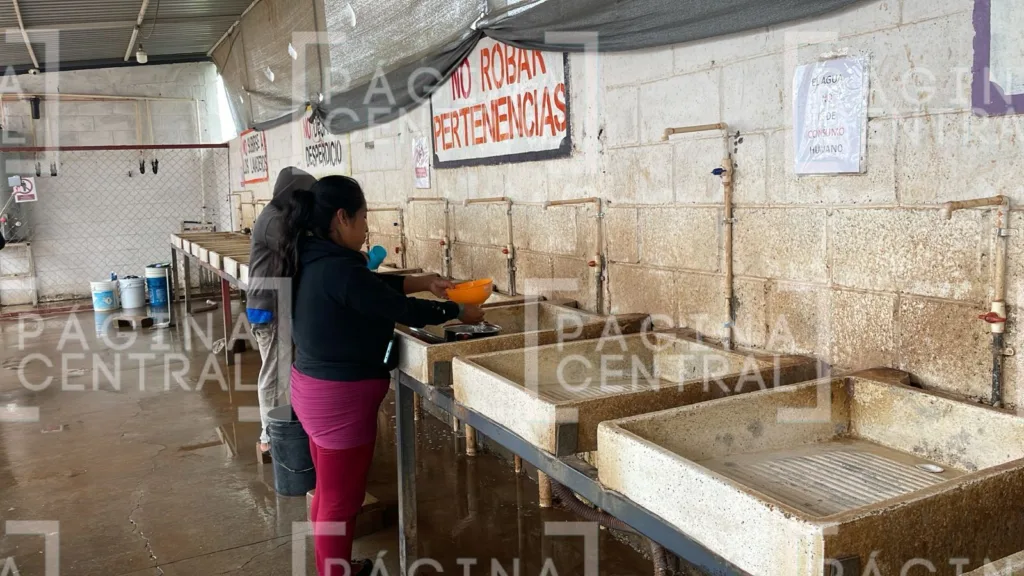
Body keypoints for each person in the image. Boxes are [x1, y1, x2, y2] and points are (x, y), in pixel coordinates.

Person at [269, 175, 484, 575]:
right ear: (342, 217)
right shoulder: (338, 268)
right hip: (339, 401)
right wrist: (456, 311)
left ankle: (336, 566)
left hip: (313, 389)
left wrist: (423, 282)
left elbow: (369, 286)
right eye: (364, 217)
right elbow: (397, 308)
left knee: (329, 493)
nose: (367, 227)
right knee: (341, 500)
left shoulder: (313, 256)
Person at [247, 167, 317, 459]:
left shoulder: (279, 216)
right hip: (270, 308)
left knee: (283, 371)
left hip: (277, 304)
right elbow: (302, 249)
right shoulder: (274, 220)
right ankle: (269, 437)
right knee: (275, 374)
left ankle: (282, 430)